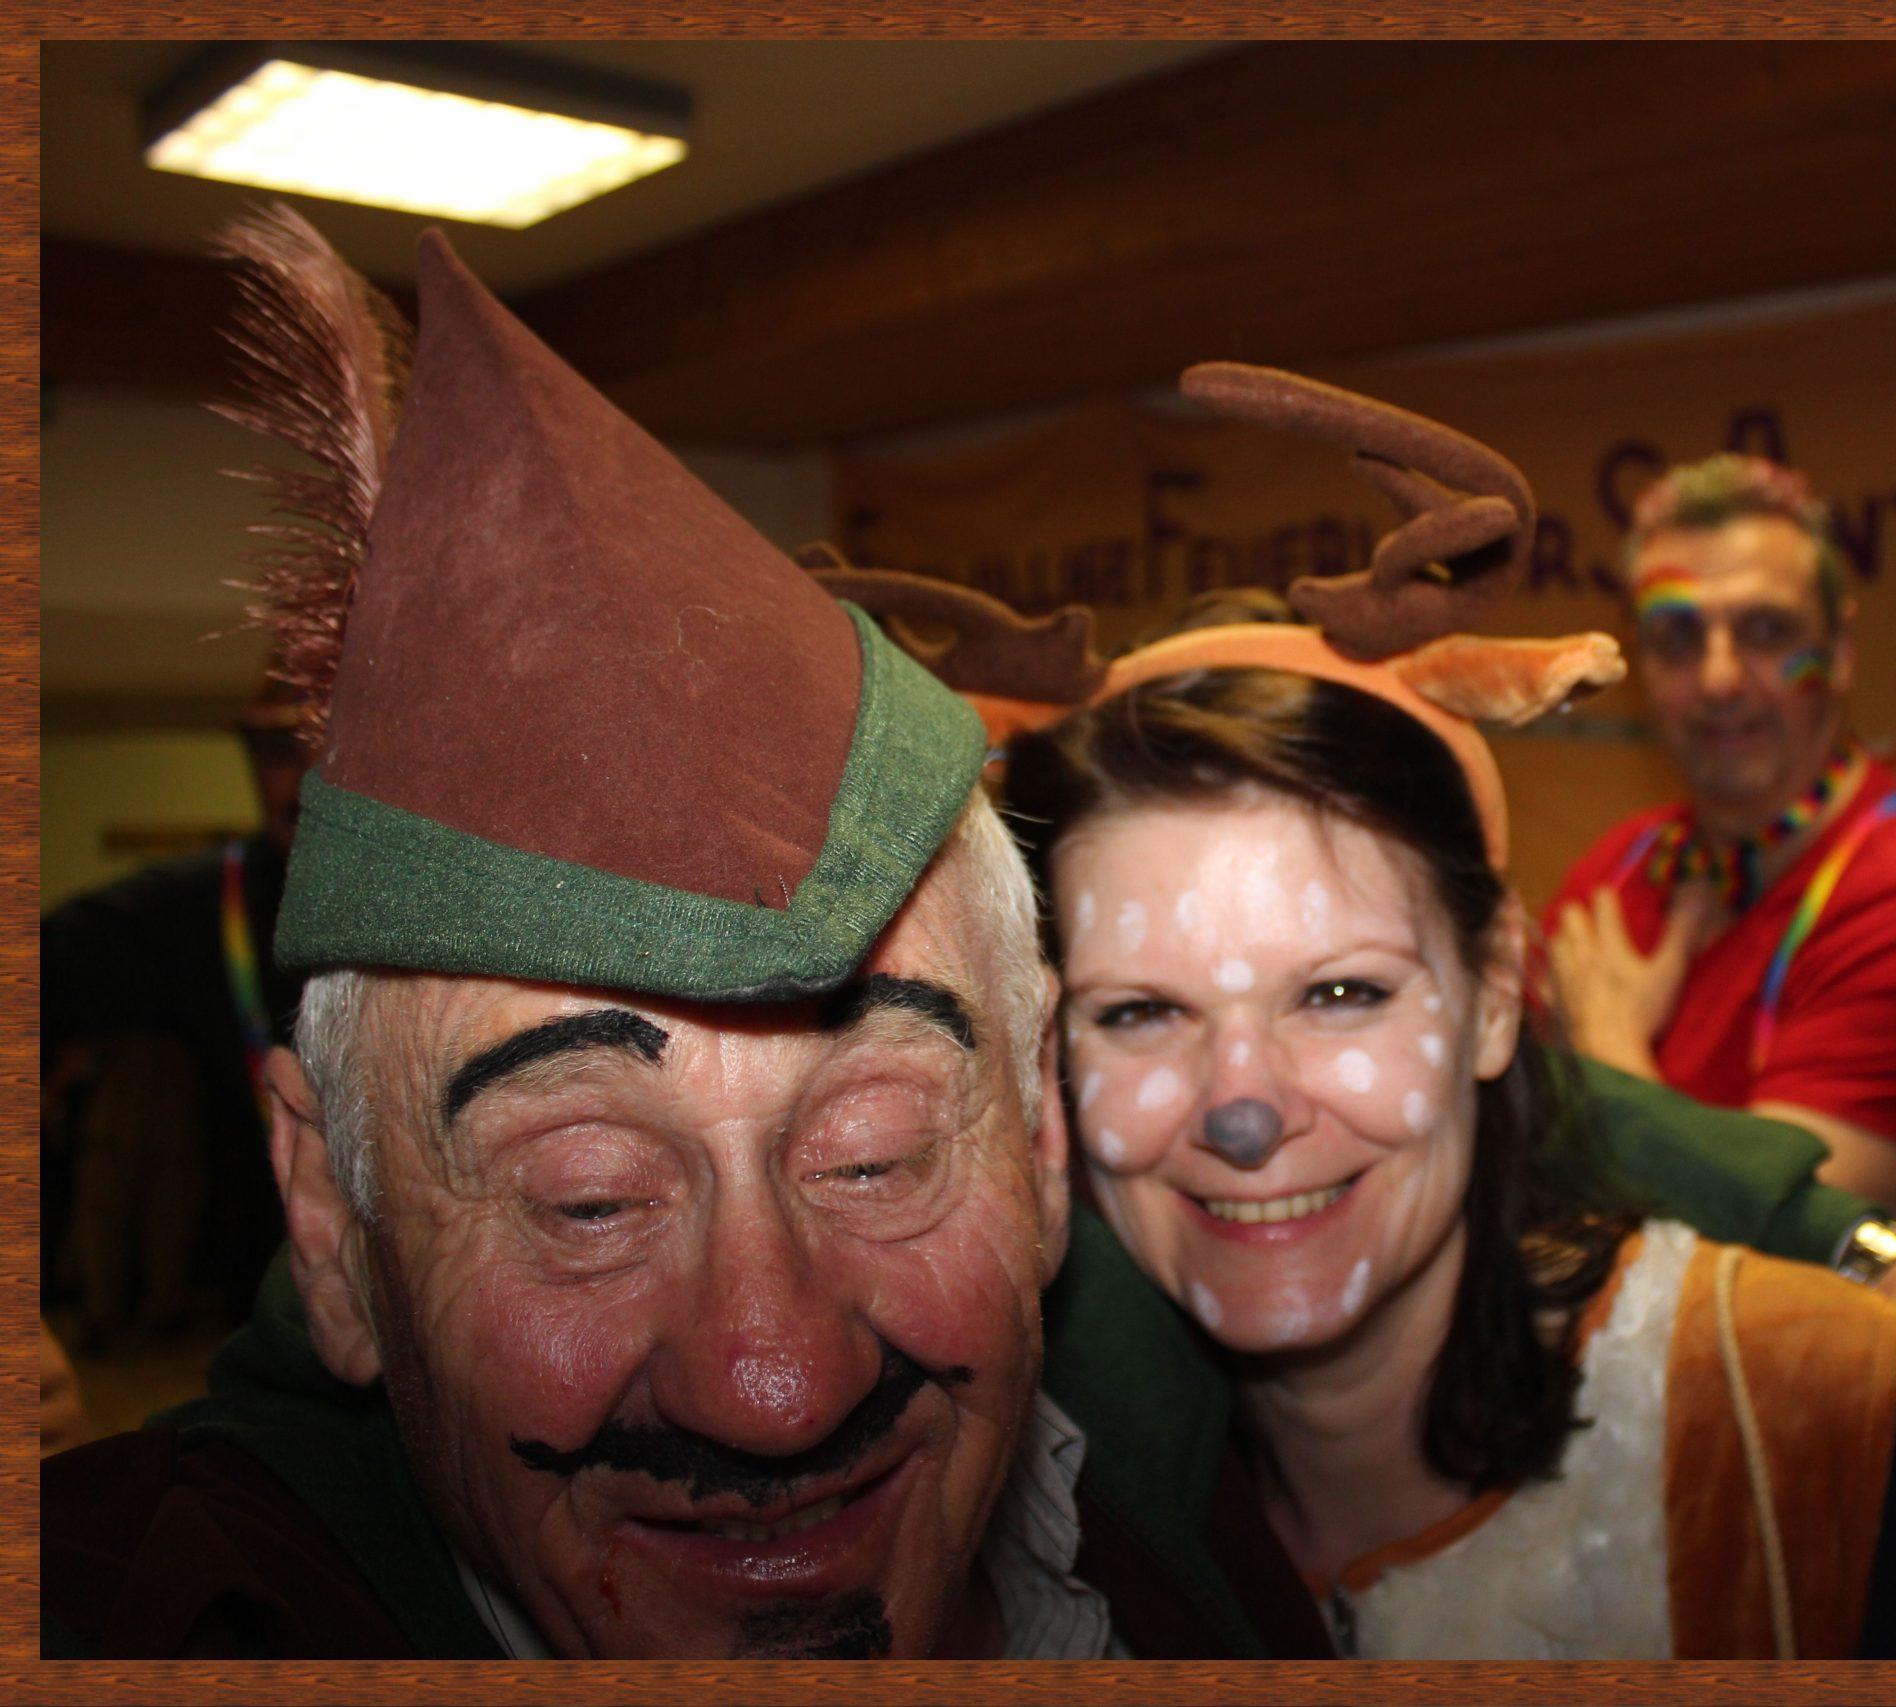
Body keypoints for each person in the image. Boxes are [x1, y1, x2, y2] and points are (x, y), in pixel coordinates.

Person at [42, 207, 1107, 1660]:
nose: (776, 1387)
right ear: (330, 1228)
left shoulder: (1207, 1517)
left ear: (1040, 1133)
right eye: (588, 1200)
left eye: (876, 1155)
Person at [992, 364, 1896, 1660]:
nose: (1241, 1109)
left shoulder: (1816, 1413)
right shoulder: (1037, 1512)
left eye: (1339, 992)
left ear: (1498, 994)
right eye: (1141, 1013)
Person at [1543, 454, 1896, 1257]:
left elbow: (1790, 1247)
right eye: (1677, 638)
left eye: (1767, 631)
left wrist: (1607, 1045)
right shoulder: (1619, 867)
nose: (1718, 679)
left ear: (1839, 649)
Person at [41, 677, 312, 1341]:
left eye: (333, 745)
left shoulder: (444, 909)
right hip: (248, 1305)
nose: (310, 780)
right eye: (283, 751)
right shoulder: (199, 904)